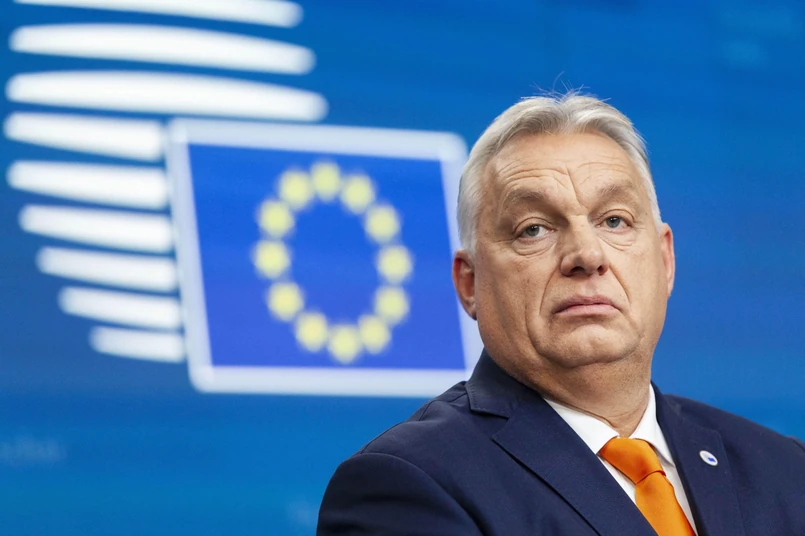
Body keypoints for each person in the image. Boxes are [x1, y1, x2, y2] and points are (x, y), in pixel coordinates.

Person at [316, 93, 805, 535]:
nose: (587, 255)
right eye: (533, 229)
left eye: (614, 220)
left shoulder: (786, 470)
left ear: (665, 261)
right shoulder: (408, 486)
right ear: (470, 284)